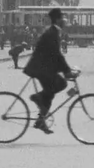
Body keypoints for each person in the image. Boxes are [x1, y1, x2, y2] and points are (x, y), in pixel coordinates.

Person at [23, 7, 77, 135]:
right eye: (63, 18)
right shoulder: (52, 33)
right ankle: (37, 98)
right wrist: (67, 71)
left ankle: (41, 120)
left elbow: (55, 56)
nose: (65, 21)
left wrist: (66, 71)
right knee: (60, 84)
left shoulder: (53, 32)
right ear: (58, 20)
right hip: (40, 69)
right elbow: (57, 55)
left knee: (50, 93)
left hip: (43, 68)